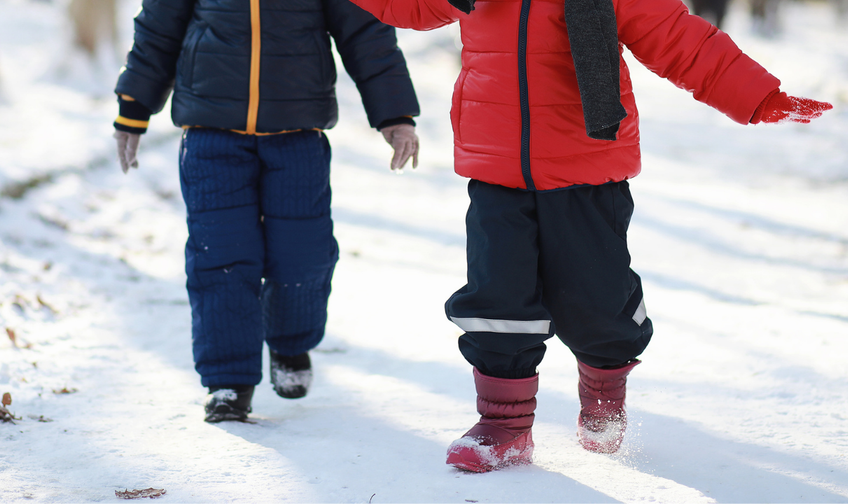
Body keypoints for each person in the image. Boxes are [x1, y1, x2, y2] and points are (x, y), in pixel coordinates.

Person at [348, 0, 832, 472]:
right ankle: (503, 425)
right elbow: (407, 7)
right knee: (497, 298)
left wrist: (756, 97)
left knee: (596, 298)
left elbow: (677, 38)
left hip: (588, 166)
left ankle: (603, 395)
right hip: (496, 164)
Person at [112, 0, 420, 423]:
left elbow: (366, 32)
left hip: (298, 133)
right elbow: (158, 29)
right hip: (210, 132)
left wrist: (395, 113)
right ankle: (228, 380)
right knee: (220, 255)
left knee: (303, 253)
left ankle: (291, 343)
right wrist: (134, 106)